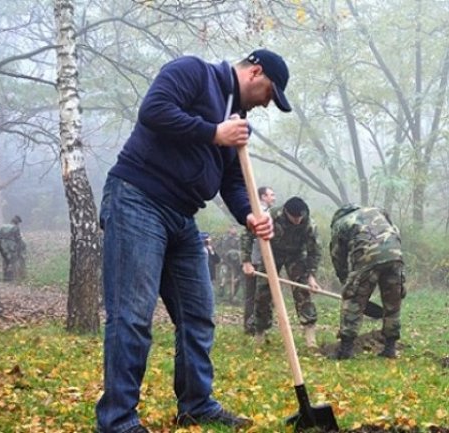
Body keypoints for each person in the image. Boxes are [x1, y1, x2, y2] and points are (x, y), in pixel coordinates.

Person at [95, 48, 291, 433]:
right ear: (256, 72)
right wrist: (212, 133)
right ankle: (117, 420)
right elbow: (154, 110)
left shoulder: (237, 118)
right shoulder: (194, 73)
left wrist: (249, 214)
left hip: (182, 217)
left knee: (198, 313)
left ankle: (196, 404)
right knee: (132, 315)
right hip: (138, 197)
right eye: (271, 92)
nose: (269, 103)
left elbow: (233, 182)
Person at [241, 196, 320, 348]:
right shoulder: (270, 216)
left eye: (300, 217)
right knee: (263, 293)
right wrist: (246, 261)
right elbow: (247, 234)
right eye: (293, 217)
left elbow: (314, 251)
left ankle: (310, 338)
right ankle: (260, 334)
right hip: (272, 253)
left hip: (296, 256)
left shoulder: (309, 224)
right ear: (285, 212)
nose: (297, 220)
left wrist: (311, 276)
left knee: (302, 291)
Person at [329, 205, 405, 360]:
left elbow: (337, 256)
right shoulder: (376, 210)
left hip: (368, 258)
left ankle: (345, 350)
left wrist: (346, 282)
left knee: (354, 301)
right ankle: (390, 348)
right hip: (395, 254)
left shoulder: (340, 223)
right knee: (393, 302)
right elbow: (393, 230)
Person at [240, 186, 276, 334]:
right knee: (252, 294)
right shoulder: (256, 212)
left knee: (265, 294)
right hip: (255, 260)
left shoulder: (271, 213)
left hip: (267, 260)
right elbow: (246, 237)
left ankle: (261, 325)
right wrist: (246, 261)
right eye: (271, 195)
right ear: (263, 197)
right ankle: (250, 327)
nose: (274, 197)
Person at [0, 215, 26, 281]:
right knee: (12, 262)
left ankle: (5, 278)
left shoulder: (3, 227)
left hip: (3, 247)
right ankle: (12, 278)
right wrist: (22, 247)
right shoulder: (15, 228)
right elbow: (18, 239)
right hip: (12, 247)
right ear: (17, 222)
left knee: (5, 262)